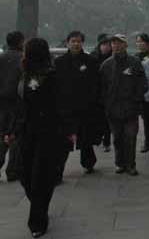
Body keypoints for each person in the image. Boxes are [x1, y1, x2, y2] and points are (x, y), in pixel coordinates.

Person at [5, 38, 74, 237]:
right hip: (26, 133)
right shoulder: (24, 75)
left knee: (41, 177)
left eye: (26, 50)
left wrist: (69, 131)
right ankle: (39, 205)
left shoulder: (53, 76)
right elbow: (19, 107)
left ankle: (37, 221)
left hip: (49, 134)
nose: (23, 53)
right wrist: (11, 130)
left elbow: (63, 106)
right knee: (24, 174)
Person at [55, 31, 101, 179]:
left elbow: (96, 84)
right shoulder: (59, 62)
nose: (76, 44)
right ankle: (58, 171)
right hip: (66, 107)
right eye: (73, 41)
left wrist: (94, 103)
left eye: (79, 41)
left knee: (85, 137)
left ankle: (88, 162)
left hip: (85, 106)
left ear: (82, 43)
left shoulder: (91, 61)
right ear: (67, 42)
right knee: (64, 140)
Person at [100, 34, 148, 175]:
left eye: (120, 43)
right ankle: (119, 163)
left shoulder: (135, 62)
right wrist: (106, 103)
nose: (116, 45)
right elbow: (101, 88)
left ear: (126, 45)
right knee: (117, 138)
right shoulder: (106, 65)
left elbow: (143, 83)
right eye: (114, 43)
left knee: (130, 137)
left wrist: (136, 99)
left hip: (131, 108)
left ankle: (131, 165)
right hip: (113, 109)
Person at [0, 31, 24, 182]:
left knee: (1, 135)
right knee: (16, 137)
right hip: (17, 102)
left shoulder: (1, 58)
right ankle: (13, 171)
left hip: (1, 103)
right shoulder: (23, 59)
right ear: (21, 42)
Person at [91, 33, 112, 152]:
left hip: (108, 92)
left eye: (108, 45)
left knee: (107, 119)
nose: (106, 47)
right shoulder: (93, 57)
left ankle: (107, 141)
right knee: (98, 117)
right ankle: (98, 137)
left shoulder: (113, 58)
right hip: (96, 92)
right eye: (103, 45)